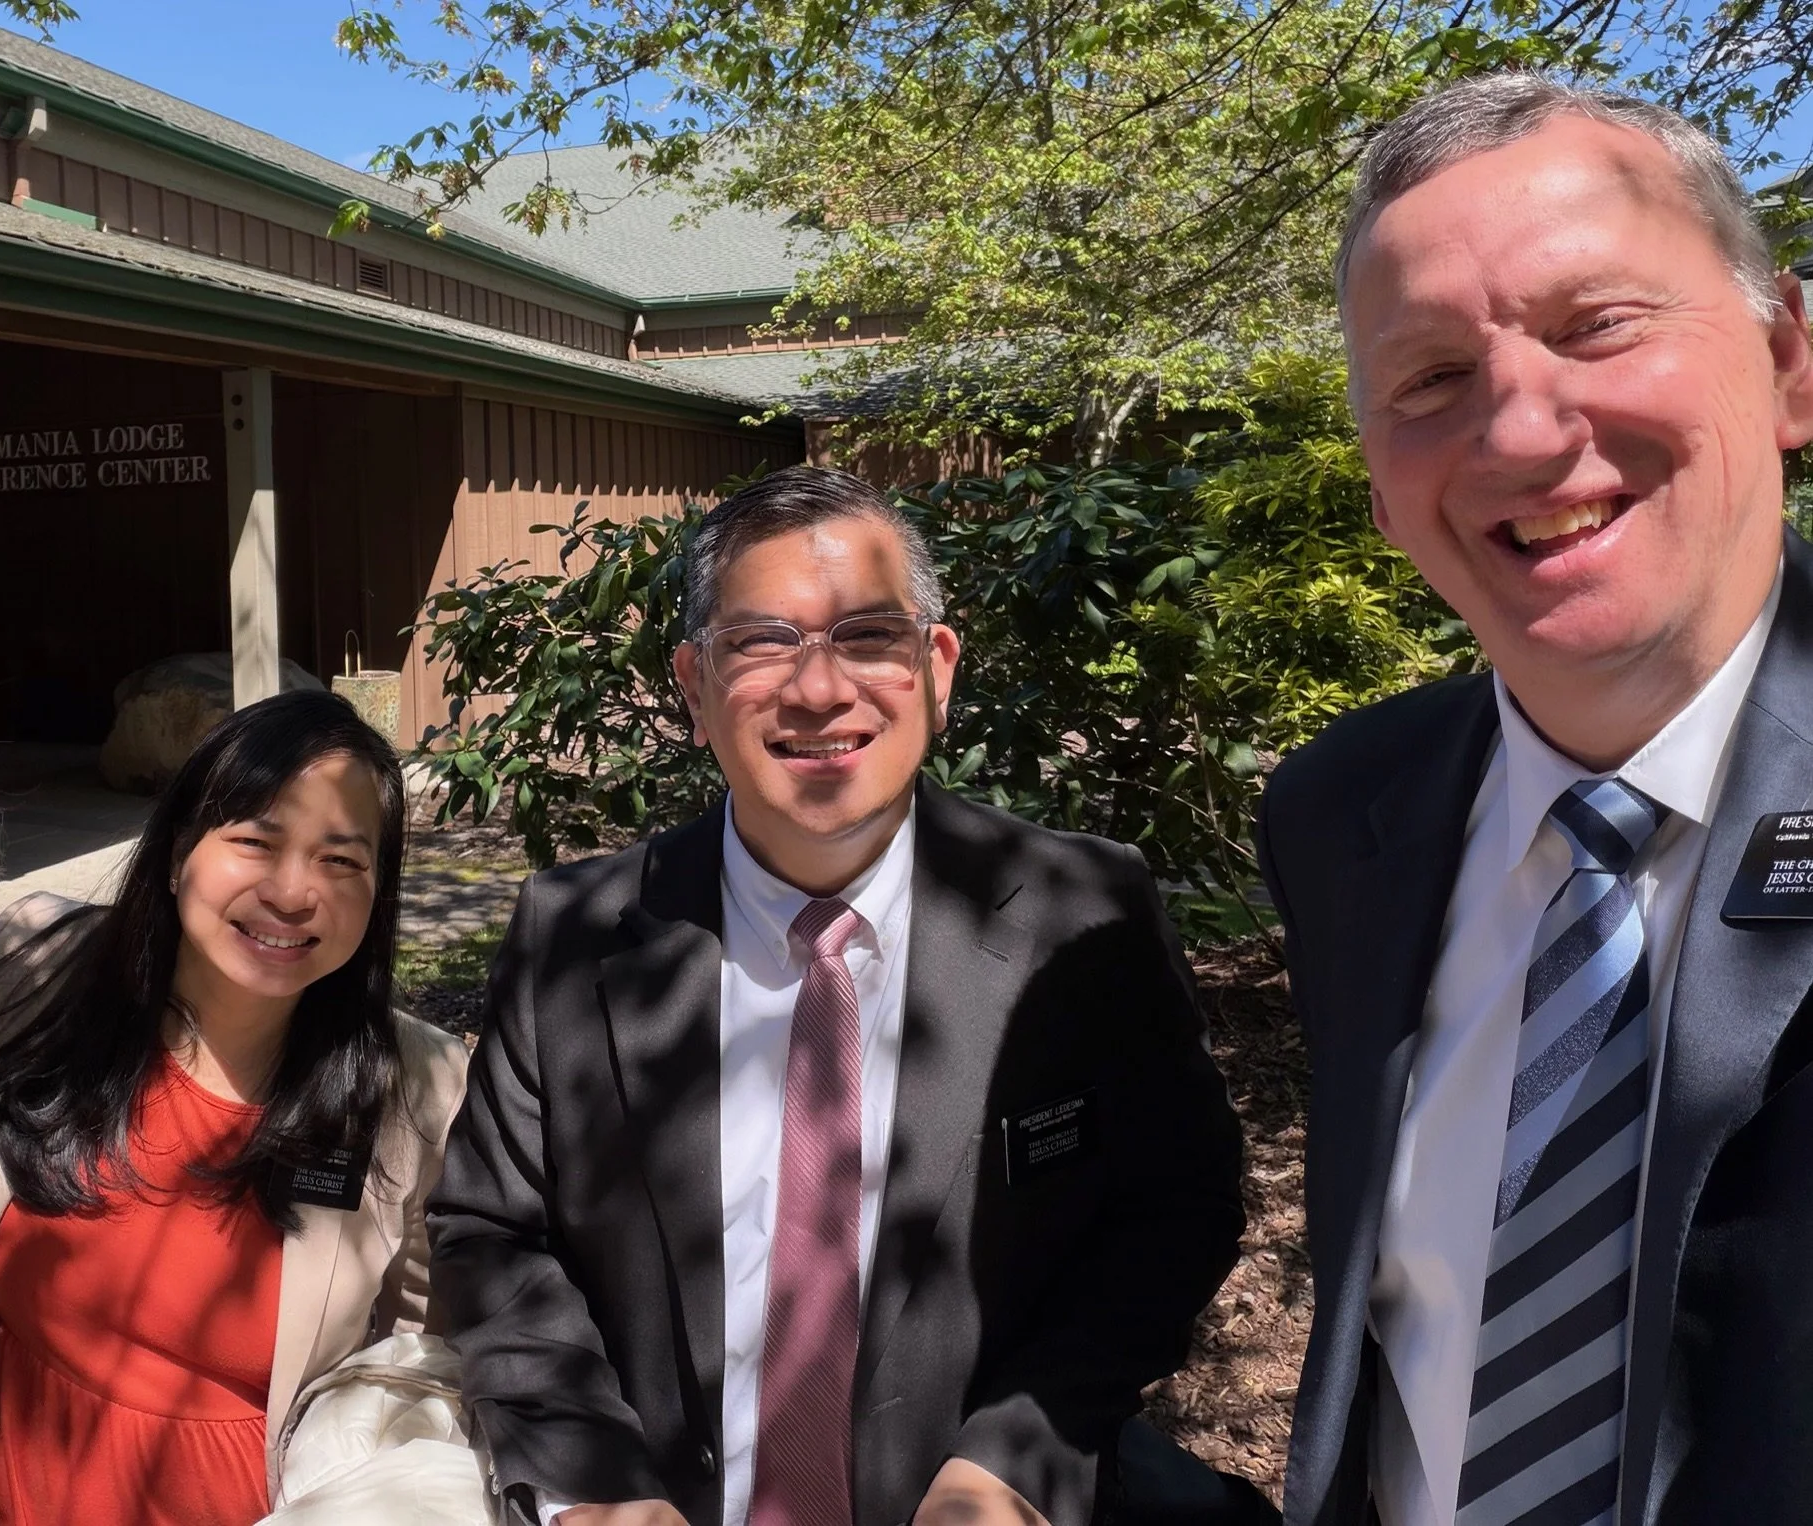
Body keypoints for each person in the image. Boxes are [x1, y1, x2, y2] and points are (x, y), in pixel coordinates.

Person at [428, 465, 1248, 1526]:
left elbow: (1173, 1206)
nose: (818, 689)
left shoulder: (1080, 916)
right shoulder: (574, 933)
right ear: (694, 685)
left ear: (936, 668)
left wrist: (1014, 1459)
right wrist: (594, 1483)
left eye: (867, 635)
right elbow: (493, 1229)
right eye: (763, 642)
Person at [1259, 74, 1813, 1526]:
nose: (1515, 431)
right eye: (1429, 380)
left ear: (1788, 363)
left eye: (1597, 325)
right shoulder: (1339, 818)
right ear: (1381, 491)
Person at [0, 689, 468, 1526]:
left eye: (341, 861)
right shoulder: (37, 977)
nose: (293, 892)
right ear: (178, 849)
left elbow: (427, 1340)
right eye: (256, 841)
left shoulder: (414, 1086)